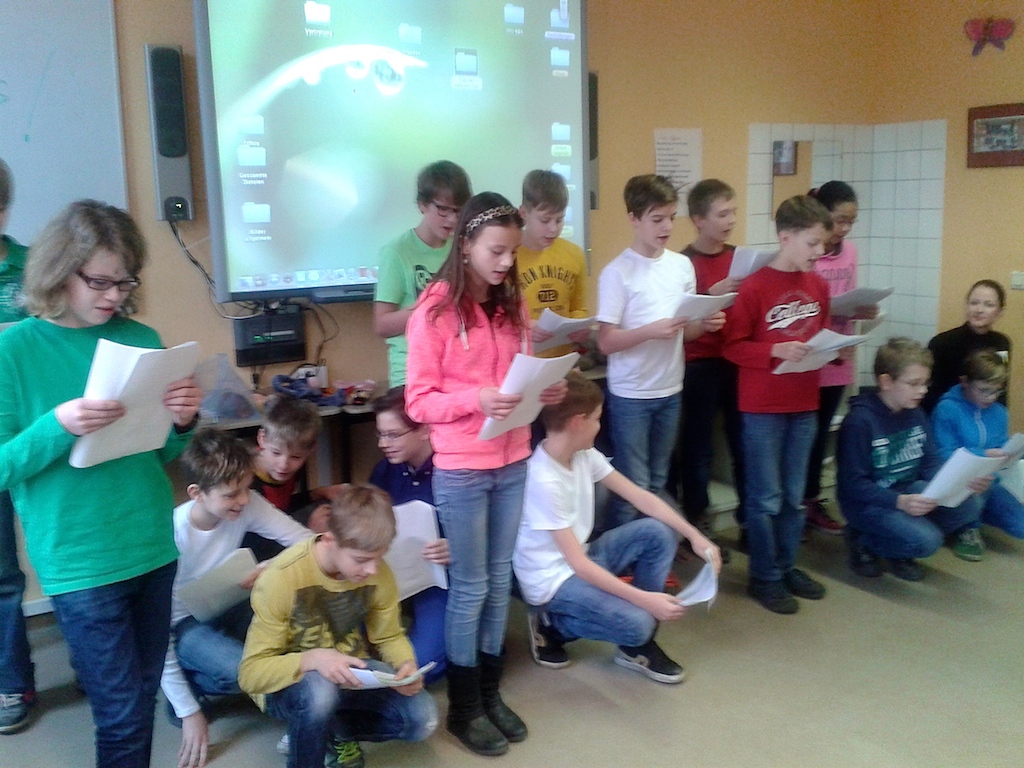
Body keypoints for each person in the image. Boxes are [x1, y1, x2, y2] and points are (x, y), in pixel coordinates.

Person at [0, 200, 201, 767]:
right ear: (60, 271)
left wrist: (183, 421)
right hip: (79, 559)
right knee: (121, 716)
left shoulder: (141, 336)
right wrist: (58, 425)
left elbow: (162, 451)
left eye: (125, 281)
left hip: (150, 545)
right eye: (100, 282)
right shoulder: (13, 350)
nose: (114, 295)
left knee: (140, 699)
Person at [405, 191, 567, 756]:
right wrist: (476, 399)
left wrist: (545, 390)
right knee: (471, 588)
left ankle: (490, 695)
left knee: (500, 583)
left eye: (512, 252)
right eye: (495, 251)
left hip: (513, 459)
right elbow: (418, 401)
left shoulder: (511, 304)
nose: (505, 262)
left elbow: (520, 377)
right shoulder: (434, 312)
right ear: (465, 245)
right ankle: (464, 708)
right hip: (463, 469)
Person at [514, 372, 721, 681]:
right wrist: (646, 600)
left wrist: (695, 536)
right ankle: (552, 626)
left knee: (658, 532)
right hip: (552, 580)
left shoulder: (583, 454)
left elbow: (640, 496)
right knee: (639, 623)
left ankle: (636, 641)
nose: (600, 426)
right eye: (597, 419)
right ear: (578, 422)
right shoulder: (543, 480)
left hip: (584, 556)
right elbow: (579, 565)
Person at [239, 484, 438, 768]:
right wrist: (312, 659)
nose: (372, 570)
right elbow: (251, 675)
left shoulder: (377, 573)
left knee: (422, 719)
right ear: (329, 539)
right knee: (320, 693)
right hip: (291, 681)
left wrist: (405, 664)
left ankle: (327, 731)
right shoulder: (280, 578)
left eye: (379, 557)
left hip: (349, 671)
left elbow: (389, 635)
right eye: (361, 560)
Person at [162, 429, 312, 768]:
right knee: (242, 671)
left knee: (292, 632)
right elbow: (156, 634)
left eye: (246, 488)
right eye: (231, 494)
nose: (243, 500)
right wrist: (189, 712)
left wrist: (273, 566)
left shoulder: (246, 503)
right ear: (197, 493)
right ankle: (189, 684)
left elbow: (307, 542)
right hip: (181, 625)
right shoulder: (173, 537)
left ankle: (220, 668)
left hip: (227, 602)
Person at [722, 195, 833, 614]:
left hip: (804, 403)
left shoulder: (819, 286)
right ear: (785, 237)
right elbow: (732, 347)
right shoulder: (754, 287)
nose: (819, 252)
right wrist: (774, 351)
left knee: (792, 496)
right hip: (762, 408)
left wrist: (833, 350)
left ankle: (785, 567)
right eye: (812, 243)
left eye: (822, 244)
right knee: (765, 497)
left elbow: (820, 336)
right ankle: (764, 576)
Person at [596, 174, 725, 532]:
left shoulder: (681, 266)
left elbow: (686, 332)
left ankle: (650, 551)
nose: (667, 227)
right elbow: (605, 342)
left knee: (657, 480)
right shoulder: (617, 273)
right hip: (632, 394)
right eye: (657, 219)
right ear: (633, 219)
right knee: (633, 486)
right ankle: (619, 555)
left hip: (670, 389)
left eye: (670, 217)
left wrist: (705, 324)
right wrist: (650, 331)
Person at [837, 338, 987, 581]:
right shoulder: (860, 422)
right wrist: (899, 502)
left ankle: (898, 541)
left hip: (908, 491)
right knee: (929, 541)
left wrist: (963, 482)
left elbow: (930, 463)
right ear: (886, 382)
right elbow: (852, 485)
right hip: (869, 503)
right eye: (913, 383)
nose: (923, 391)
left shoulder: (915, 413)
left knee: (971, 504)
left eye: (925, 383)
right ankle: (863, 540)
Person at [672, 179, 742, 559]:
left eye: (733, 212)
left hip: (737, 360)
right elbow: (679, 317)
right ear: (699, 220)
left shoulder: (740, 258)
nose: (730, 220)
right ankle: (697, 519)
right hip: (699, 363)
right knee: (698, 447)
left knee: (742, 441)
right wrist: (709, 296)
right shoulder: (684, 263)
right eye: (722, 214)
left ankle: (750, 521)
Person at [803, 181, 877, 535]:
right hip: (809, 357)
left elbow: (850, 296)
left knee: (820, 436)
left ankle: (811, 500)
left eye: (851, 221)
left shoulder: (850, 253)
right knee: (803, 436)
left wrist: (862, 309)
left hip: (840, 356)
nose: (845, 229)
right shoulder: (808, 251)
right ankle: (796, 505)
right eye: (839, 220)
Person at [368, 386, 448, 684]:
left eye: (393, 435)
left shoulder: (453, 470)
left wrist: (459, 546)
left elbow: (496, 531)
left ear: (425, 430)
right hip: (390, 575)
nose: (383, 444)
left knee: (422, 665)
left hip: (438, 581)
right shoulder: (385, 470)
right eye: (380, 434)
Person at [374, 160, 472, 386]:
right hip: (412, 374)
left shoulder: (462, 247)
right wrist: (429, 308)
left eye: (458, 211)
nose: (452, 219)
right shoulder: (397, 252)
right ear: (422, 205)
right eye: (443, 209)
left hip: (453, 369)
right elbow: (382, 325)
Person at [0, 157, 34, 735]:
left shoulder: (34, 267)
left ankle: (95, 664)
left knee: (67, 556)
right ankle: (13, 680)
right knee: (2, 572)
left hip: (41, 431)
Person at [931, 349, 1024, 542]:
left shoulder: (1000, 412)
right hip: (958, 483)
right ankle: (968, 525)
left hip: (989, 483)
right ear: (964, 382)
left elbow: (1002, 447)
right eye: (984, 390)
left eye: (997, 391)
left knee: (1020, 525)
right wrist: (984, 454)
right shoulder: (947, 409)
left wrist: (1010, 453)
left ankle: (975, 518)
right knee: (973, 503)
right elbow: (942, 453)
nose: (991, 397)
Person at [244, 393, 337, 559]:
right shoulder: (246, 481)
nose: (284, 465)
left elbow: (280, 507)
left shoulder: (285, 469)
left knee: (327, 507)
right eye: (276, 453)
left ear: (311, 449)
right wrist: (311, 531)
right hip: (253, 551)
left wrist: (318, 493)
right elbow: (258, 552)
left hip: (276, 533)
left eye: (295, 457)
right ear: (262, 438)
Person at [516, 169, 590, 358]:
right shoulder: (508, 256)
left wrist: (580, 326)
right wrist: (524, 326)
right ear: (524, 213)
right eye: (545, 220)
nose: (553, 229)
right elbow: (493, 317)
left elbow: (579, 307)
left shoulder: (574, 254)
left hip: (563, 360)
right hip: (521, 361)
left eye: (559, 220)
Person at [922, 279, 1011, 414]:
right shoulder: (942, 342)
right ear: (967, 305)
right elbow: (931, 393)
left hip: (987, 414)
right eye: (974, 303)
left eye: (989, 305)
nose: (979, 310)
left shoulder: (1002, 342)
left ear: (1000, 311)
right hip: (949, 415)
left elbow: (1000, 387)